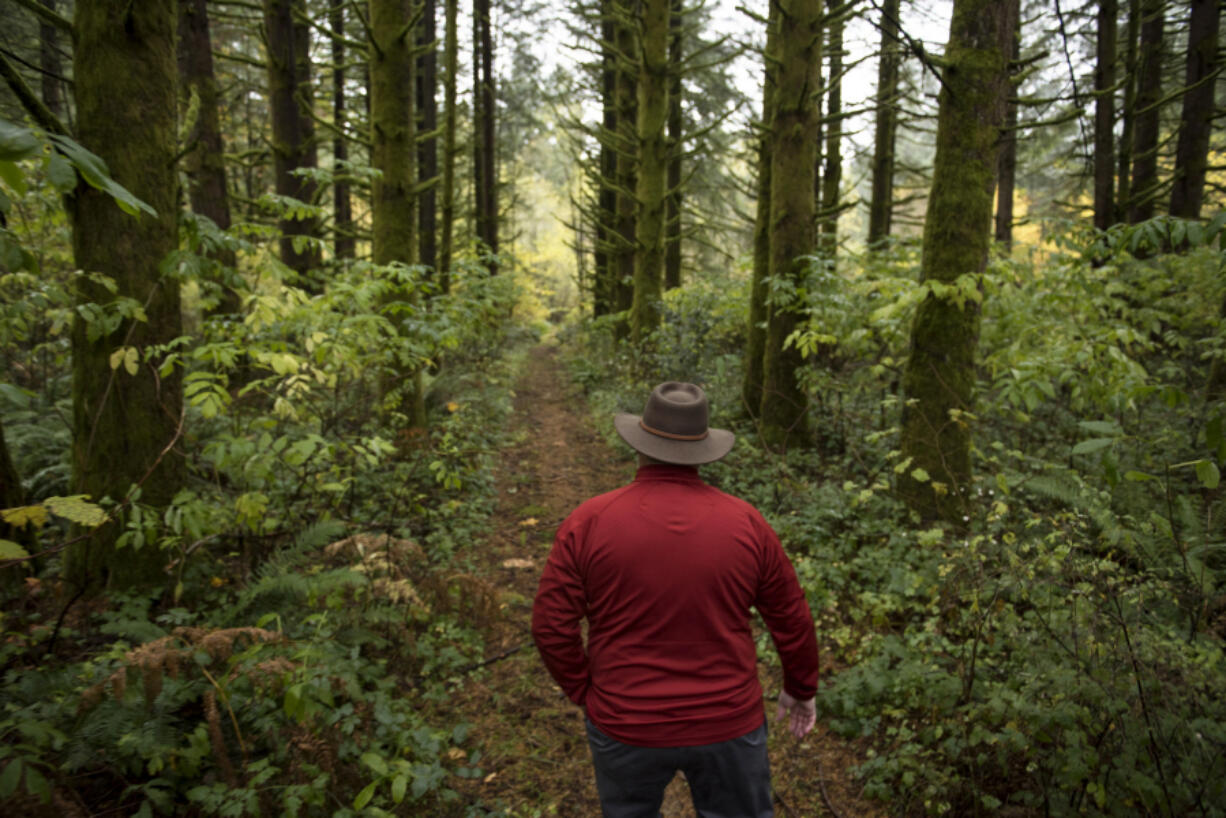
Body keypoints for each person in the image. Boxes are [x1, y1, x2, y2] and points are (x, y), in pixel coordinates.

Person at [531, 381, 820, 818]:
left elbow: (551, 624)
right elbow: (791, 616)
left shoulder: (589, 521)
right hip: (728, 722)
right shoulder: (746, 523)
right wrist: (800, 689)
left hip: (625, 721)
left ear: (640, 444)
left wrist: (585, 691)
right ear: (703, 449)